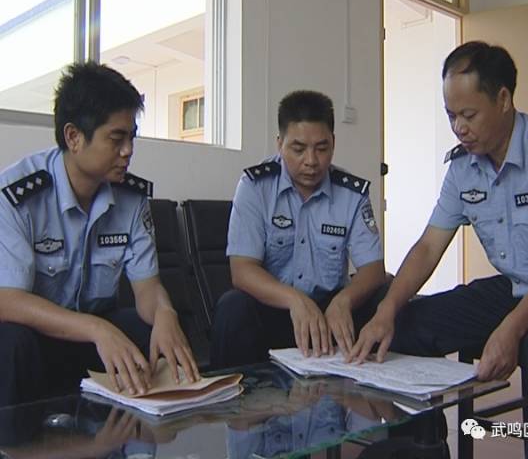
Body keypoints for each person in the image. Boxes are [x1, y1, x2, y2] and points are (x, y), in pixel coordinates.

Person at [348, 41, 528, 458]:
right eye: (451, 116)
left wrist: (511, 328)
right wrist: (386, 310)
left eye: (468, 115)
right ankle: (426, 447)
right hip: (518, 287)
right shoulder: (463, 167)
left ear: (504, 99)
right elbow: (427, 247)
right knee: (406, 325)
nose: (459, 127)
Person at [0, 62, 200, 408]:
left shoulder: (132, 199)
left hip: (94, 337)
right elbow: (8, 299)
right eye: (116, 139)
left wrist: (165, 314)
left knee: (154, 328)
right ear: (74, 137)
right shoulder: (18, 196)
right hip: (40, 337)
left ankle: (145, 434)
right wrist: (95, 328)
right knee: (11, 341)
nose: (128, 151)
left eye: (131, 138)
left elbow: (147, 288)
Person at [210, 90, 387, 369]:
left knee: (388, 293)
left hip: (332, 313)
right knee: (233, 307)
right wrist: (295, 300)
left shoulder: (351, 194)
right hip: (276, 309)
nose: (311, 161)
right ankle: (234, 407)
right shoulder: (255, 186)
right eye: (298, 148)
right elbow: (242, 270)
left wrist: (344, 301)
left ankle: (401, 395)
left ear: (333, 143)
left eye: (321, 147)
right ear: (280, 144)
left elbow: (373, 269)